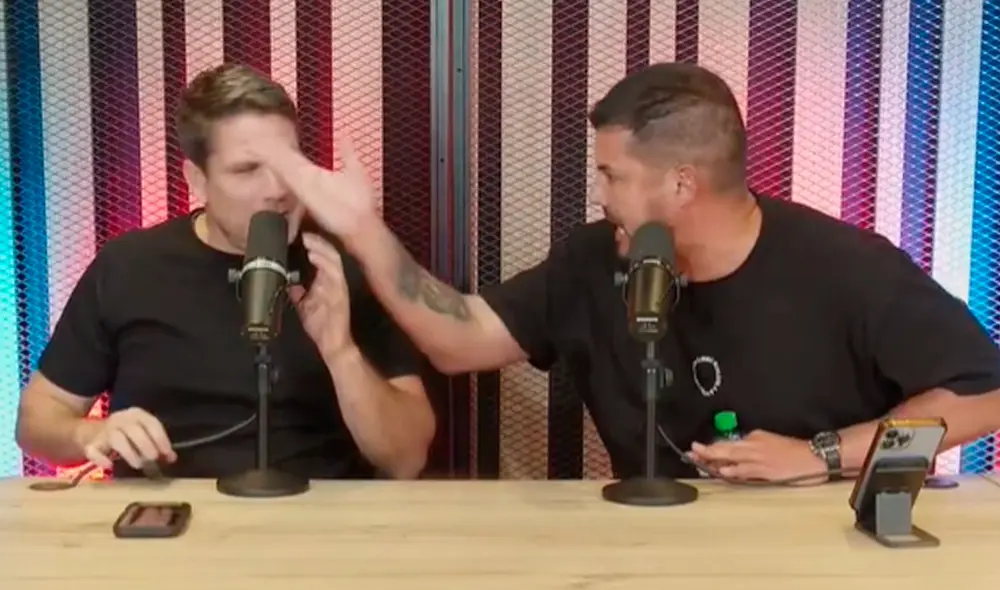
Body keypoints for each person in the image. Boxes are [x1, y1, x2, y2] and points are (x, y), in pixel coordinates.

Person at [252, 62, 1000, 483]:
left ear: (680, 186)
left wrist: (822, 455)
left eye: (611, 175)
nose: (599, 194)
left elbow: (984, 397)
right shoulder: (593, 261)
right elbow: (460, 339)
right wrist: (360, 228)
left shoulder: (846, 268)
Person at [15, 64, 435, 481]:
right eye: (247, 170)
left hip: (315, 525)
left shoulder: (343, 265)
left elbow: (408, 457)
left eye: (289, 164)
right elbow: (36, 423)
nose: (278, 189)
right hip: (167, 523)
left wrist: (341, 354)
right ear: (197, 180)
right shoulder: (128, 266)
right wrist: (91, 431)